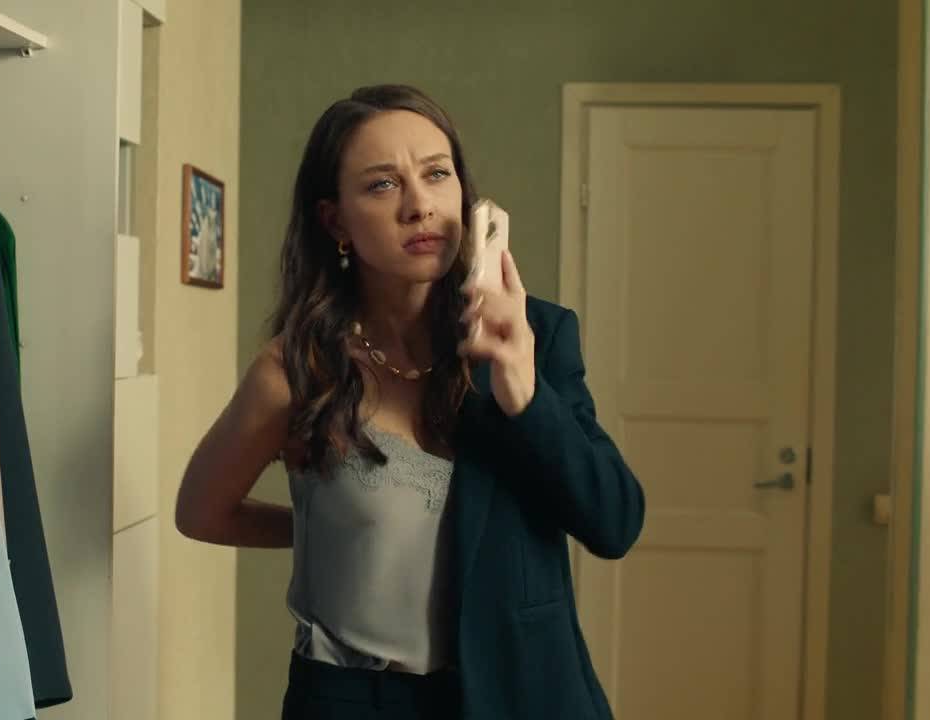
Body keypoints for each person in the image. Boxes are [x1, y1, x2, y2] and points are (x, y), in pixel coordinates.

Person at [175, 84, 644, 719]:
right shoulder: (296, 369)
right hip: (353, 699)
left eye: (437, 175)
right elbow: (203, 513)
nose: (420, 206)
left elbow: (615, 523)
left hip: (525, 696)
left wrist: (523, 390)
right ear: (335, 221)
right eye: (382, 185)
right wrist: (326, 532)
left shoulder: (539, 336)